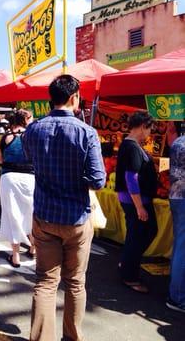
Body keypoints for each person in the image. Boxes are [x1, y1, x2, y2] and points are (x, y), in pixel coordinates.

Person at [23, 75, 106, 341]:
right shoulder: (86, 132)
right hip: (76, 218)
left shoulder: (33, 130)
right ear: (74, 98)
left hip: (45, 215)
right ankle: (72, 337)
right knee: (75, 282)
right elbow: (98, 180)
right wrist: (74, 178)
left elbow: (31, 160)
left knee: (45, 283)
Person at [115, 111, 158, 293]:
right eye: (149, 129)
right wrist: (139, 206)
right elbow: (131, 177)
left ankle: (127, 263)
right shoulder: (132, 146)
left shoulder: (132, 145)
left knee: (142, 233)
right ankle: (129, 275)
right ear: (142, 127)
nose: (150, 133)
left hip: (136, 199)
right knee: (140, 234)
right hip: (135, 200)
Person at [0, 109, 35, 268]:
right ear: (26, 119)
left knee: (12, 215)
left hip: (9, 178)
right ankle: (33, 248)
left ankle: (16, 256)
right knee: (32, 214)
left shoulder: (4, 137)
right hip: (30, 179)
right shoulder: (32, 137)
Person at [166, 134, 185, 313]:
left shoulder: (178, 142)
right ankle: (177, 297)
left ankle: (175, 290)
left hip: (176, 196)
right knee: (182, 247)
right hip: (183, 199)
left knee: (179, 244)